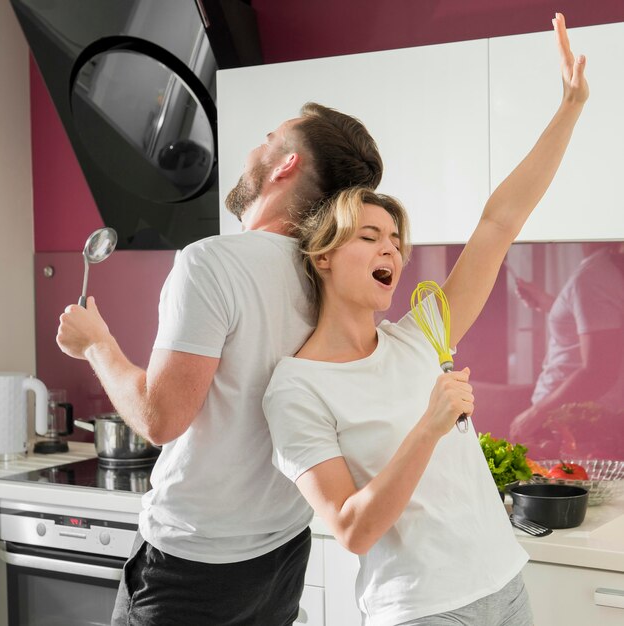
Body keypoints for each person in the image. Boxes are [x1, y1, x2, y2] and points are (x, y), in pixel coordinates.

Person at [263, 14, 588, 625]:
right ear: (324, 254)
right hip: (423, 611)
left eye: (395, 238)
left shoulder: (421, 337)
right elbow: (351, 529)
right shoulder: (296, 387)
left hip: (506, 586)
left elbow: (499, 223)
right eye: (370, 236)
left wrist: (570, 107)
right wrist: (430, 426)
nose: (391, 250)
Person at [56, 102, 383, 625]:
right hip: (282, 551)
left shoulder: (211, 262)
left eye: (268, 137)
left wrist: (97, 344)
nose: (255, 148)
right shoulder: (329, 277)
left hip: (192, 562)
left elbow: (159, 419)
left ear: (285, 164)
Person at [509, 242, 624, 459]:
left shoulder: (593, 277)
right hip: (574, 422)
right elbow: (599, 327)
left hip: (571, 426)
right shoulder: (605, 269)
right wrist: (552, 305)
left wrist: (536, 413)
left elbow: (600, 371)